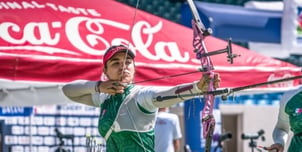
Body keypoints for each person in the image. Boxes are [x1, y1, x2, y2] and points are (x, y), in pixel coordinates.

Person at [62, 44, 220, 152]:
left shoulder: (141, 95)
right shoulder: (104, 98)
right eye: (115, 63)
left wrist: (197, 87)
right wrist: (98, 86)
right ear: (106, 70)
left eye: (128, 62)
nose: (123, 67)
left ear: (134, 68)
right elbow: (68, 90)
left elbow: (166, 95)